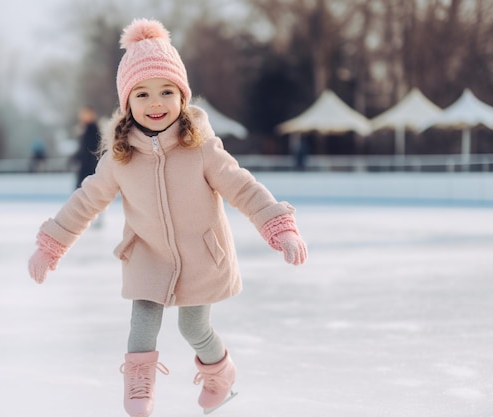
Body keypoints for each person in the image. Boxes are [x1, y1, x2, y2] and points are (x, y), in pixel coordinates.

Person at [28, 18, 307, 417]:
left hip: (202, 256)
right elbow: (85, 201)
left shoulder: (203, 149)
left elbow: (243, 188)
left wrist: (279, 227)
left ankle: (220, 372)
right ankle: (140, 387)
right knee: (141, 323)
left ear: (182, 95)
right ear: (127, 104)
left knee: (193, 328)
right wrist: (51, 245)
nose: (155, 103)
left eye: (166, 91)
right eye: (141, 94)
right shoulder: (120, 158)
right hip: (148, 256)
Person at [74, 106, 100, 189]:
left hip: (90, 167)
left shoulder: (93, 130)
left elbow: (91, 149)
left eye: (86, 114)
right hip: (84, 166)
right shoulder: (84, 129)